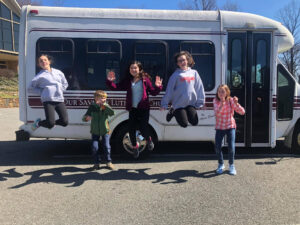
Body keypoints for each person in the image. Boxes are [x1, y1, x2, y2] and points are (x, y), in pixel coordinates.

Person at [106, 60, 163, 158]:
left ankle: (149, 140)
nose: (133, 69)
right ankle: (135, 147)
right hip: (133, 108)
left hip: (144, 108)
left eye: (135, 68)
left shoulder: (145, 80)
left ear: (139, 69)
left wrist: (158, 87)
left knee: (143, 128)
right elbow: (116, 87)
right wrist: (110, 82)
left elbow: (153, 92)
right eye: (131, 68)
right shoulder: (127, 80)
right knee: (131, 129)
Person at [160, 51, 205, 127]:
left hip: (190, 104)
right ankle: (173, 111)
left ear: (187, 60)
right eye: (180, 61)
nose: (182, 62)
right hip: (179, 104)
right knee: (184, 124)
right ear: (177, 63)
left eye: (183, 60)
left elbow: (199, 87)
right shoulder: (175, 75)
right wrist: (164, 104)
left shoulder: (194, 73)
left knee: (194, 122)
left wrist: (201, 102)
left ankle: (185, 112)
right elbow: (169, 90)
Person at [28, 54, 68, 130]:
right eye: (41, 61)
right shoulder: (39, 76)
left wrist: (60, 90)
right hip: (48, 100)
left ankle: (51, 123)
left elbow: (65, 83)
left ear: (49, 61)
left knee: (64, 122)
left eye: (45, 60)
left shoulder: (58, 72)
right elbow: (30, 88)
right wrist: (43, 92)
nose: (43, 62)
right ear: (39, 64)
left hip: (59, 100)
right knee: (50, 124)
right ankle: (38, 123)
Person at [213, 84, 245, 175]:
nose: (221, 93)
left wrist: (236, 103)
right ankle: (221, 164)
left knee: (231, 146)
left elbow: (242, 112)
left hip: (230, 126)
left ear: (227, 92)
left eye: (223, 91)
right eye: (219, 91)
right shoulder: (215, 100)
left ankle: (231, 165)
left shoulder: (231, 100)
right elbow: (217, 113)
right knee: (217, 147)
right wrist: (222, 104)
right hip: (220, 127)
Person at [82, 90, 115, 170]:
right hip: (95, 131)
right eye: (101, 98)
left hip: (105, 130)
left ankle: (108, 162)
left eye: (104, 98)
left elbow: (112, 113)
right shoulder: (92, 107)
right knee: (94, 147)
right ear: (96, 98)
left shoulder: (104, 106)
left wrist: (104, 105)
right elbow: (84, 118)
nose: (103, 99)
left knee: (107, 147)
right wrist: (87, 118)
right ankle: (96, 163)